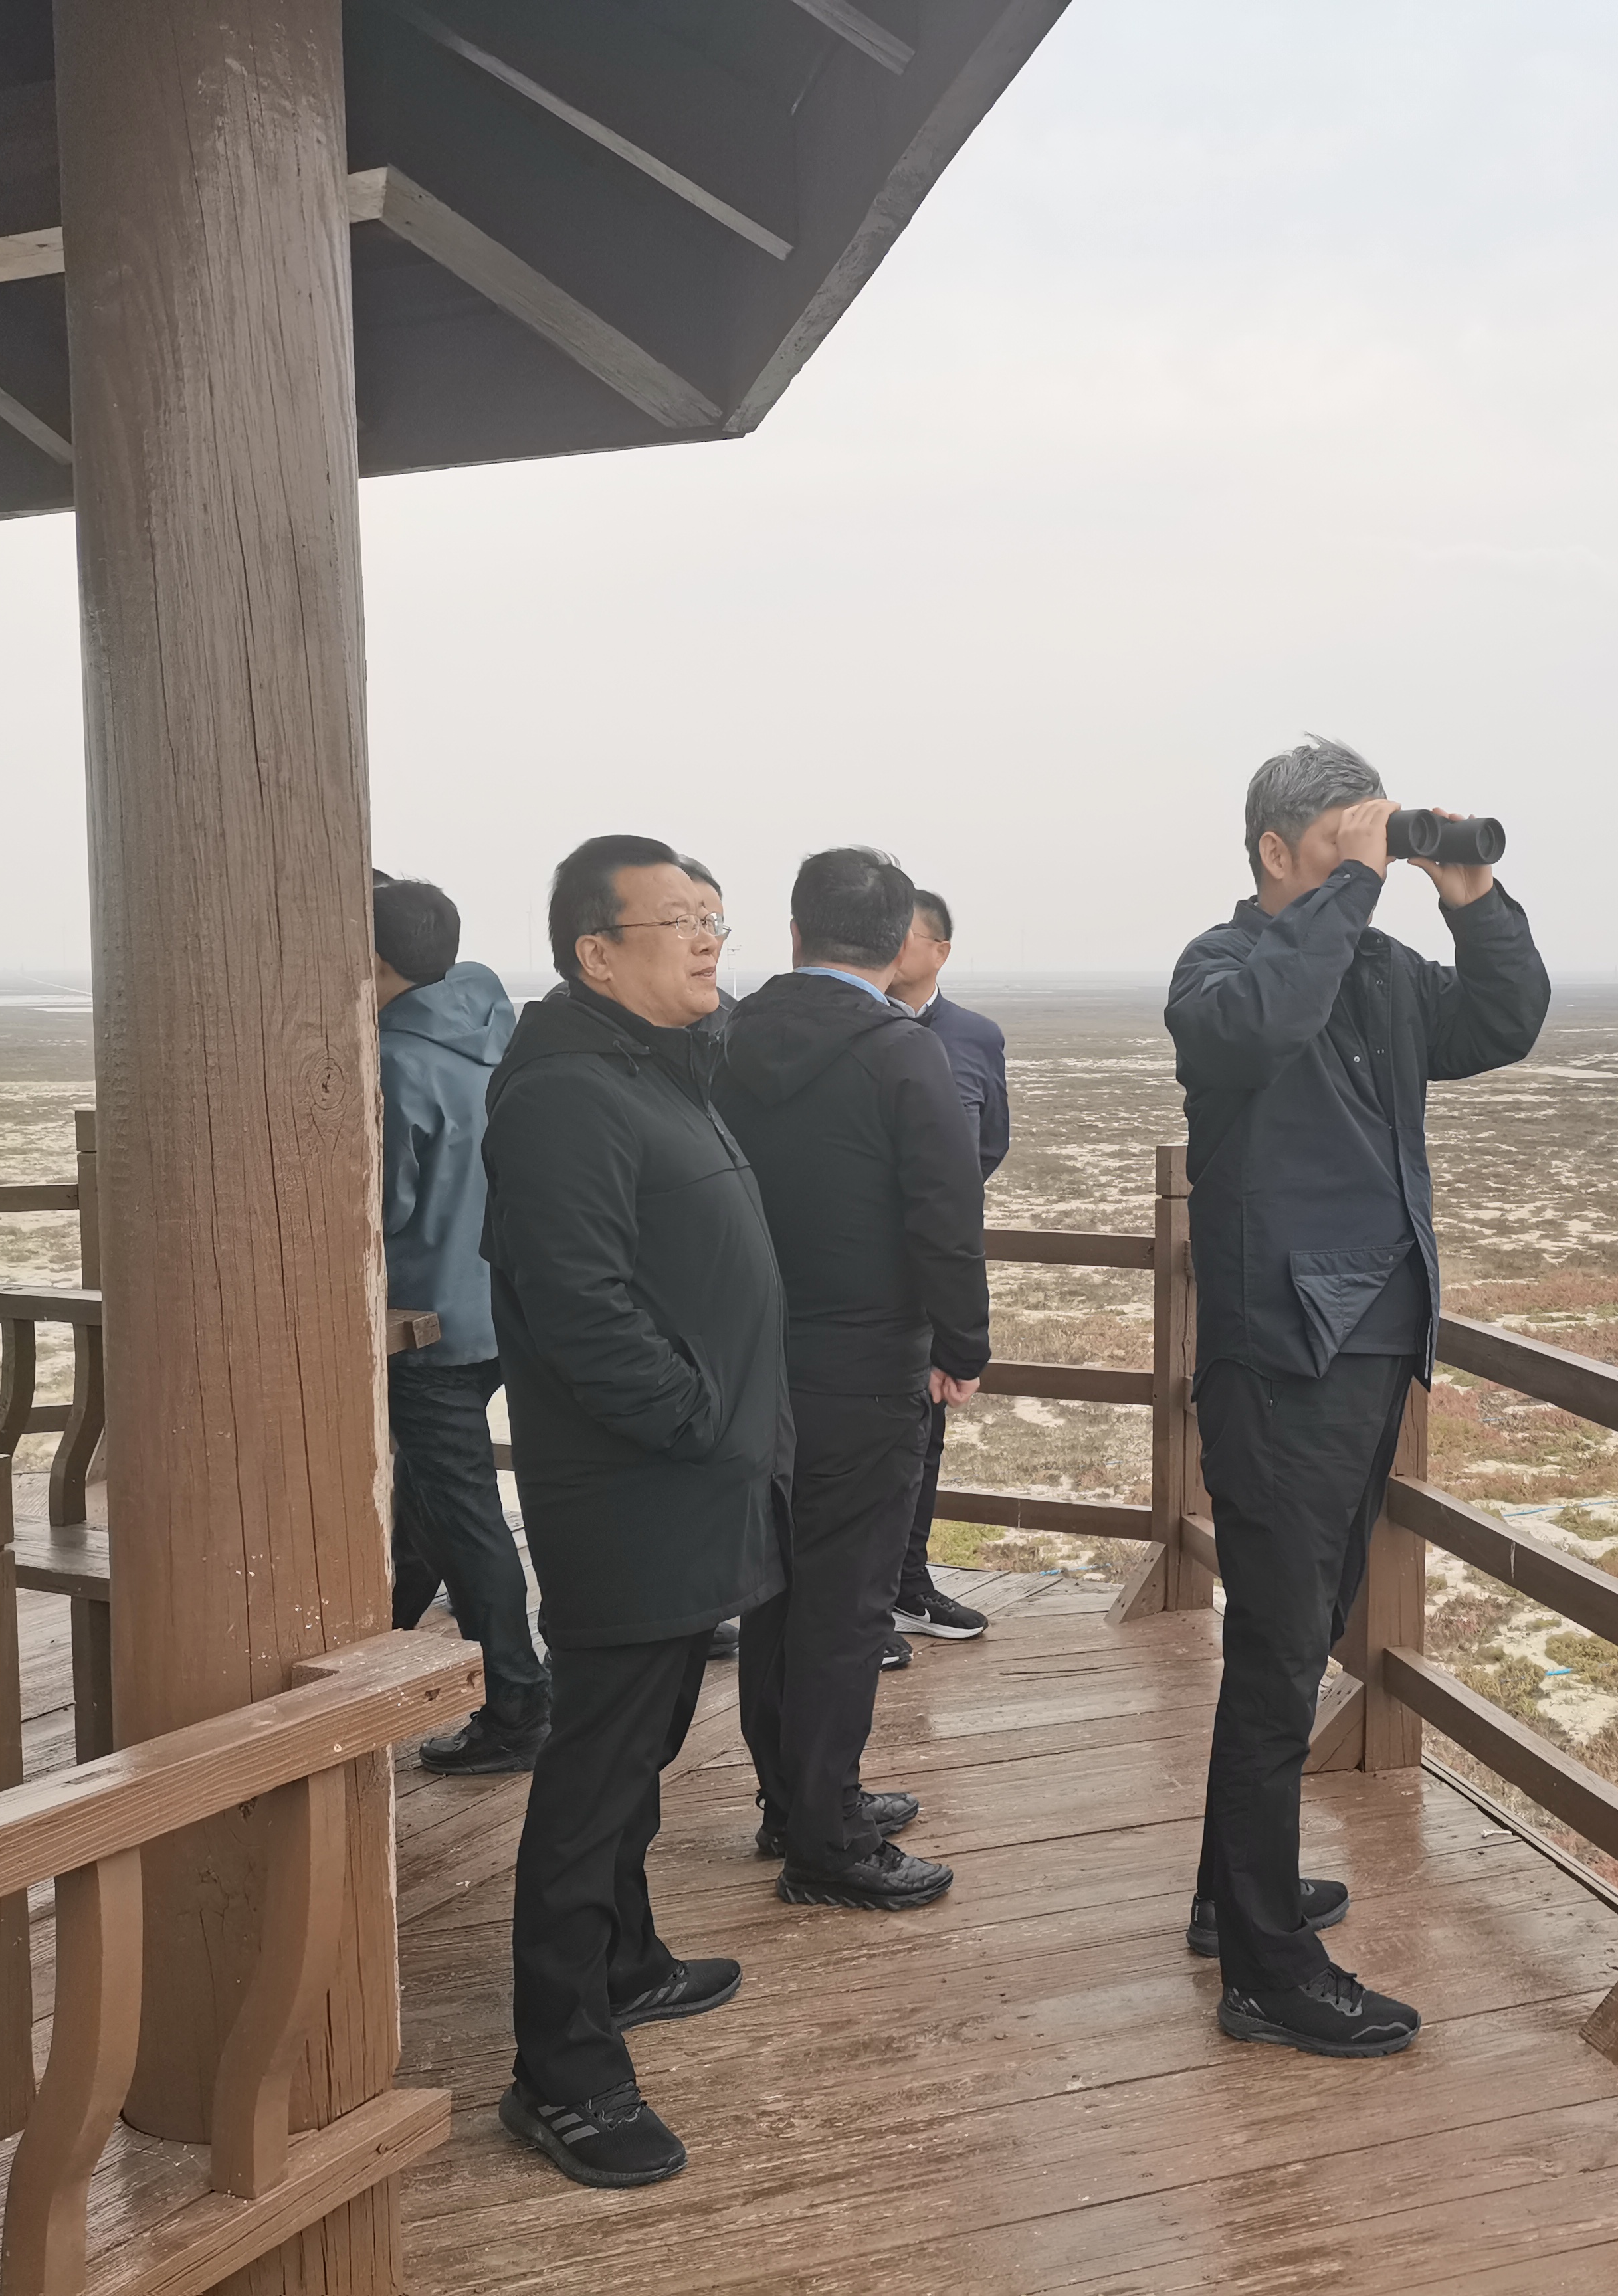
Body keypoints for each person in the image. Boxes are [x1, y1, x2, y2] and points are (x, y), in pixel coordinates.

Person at [1165, 739, 1548, 2057]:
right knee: (1279, 1657)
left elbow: (1501, 1023)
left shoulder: (1379, 973)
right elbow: (1268, 1021)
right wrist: (1357, 889)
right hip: (1284, 1355)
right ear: (1276, 853)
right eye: (1347, 844)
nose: (1369, 870)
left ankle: (1233, 1893)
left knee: (1300, 1636)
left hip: (1373, 1340)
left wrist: (1470, 893)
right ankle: (1267, 1971)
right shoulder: (1219, 973)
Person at [483, 836, 789, 2187]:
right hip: (632, 1491)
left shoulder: (654, 1071)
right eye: (677, 920)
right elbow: (581, 1304)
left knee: (646, 1742)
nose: (708, 938)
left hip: (691, 1482)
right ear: (596, 954)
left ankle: (626, 1960)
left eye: (714, 915)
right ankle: (561, 2073)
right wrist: (695, 1417)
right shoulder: (564, 1096)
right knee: (595, 1773)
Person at [714, 848, 989, 1912]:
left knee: (778, 1594)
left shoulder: (727, 1037)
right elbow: (945, 1216)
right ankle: (827, 1840)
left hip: (750, 1362)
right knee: (847, 1605)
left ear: (795, 933)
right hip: (868, 1366)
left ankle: (794, 1800)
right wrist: (962, 1346)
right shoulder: (903, 1055)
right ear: (898, 943)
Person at [373, 875, 548, 1775]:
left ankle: (518, 1702)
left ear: (370, 959)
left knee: (463, 1511)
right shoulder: (497, 1034)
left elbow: (386, 1208)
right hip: (502, 1306)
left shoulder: (392, 1061)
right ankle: (378, 1643)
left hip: (423, 1323)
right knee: (434, 1500)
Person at [882, 888, 1007, 1654]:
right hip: (852, 1284)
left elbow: (988, 1145)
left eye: (904, 935)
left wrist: (941, 1213)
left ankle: (907, 1586)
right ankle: (852, 1607)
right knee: (852, 1448)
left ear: (940, 952)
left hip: (933, 1279)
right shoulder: (854, 1032)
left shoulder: (974, 1036)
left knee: (924, 1438)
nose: (889, 945)